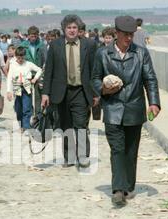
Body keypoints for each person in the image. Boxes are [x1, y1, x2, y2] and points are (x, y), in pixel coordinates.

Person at [92, 16, 160, 206]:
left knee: (131, 150)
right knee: (117, 149)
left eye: (131, 35)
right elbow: (94, 79)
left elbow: (150, 79)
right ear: (116, 33)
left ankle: (129, 185)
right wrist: (104, 89)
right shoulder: (102, 54)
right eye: (125, 35)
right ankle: (118, 190)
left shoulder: (141, 53)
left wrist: (154, 102)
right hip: (112, 109)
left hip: (134, 108)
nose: (129, 38)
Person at [42, 14, 99, 168]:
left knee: (80, 124)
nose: (72, 30)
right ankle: (69, 157)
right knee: (65, 125)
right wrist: (45, 93)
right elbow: (49, 71)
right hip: (61, 92)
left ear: (78, 29)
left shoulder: (89, 45)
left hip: (81, 91)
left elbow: (94, 70)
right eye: (69, 27)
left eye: (75, 27)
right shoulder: (55, 45)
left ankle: (83, 156)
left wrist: (95, 93)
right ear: (64, 29)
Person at [7, 47, 43, 132]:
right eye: (18, 58)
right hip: (17, 89)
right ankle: (22, 125)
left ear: (25, 56)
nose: (20, 60)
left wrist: (35, 78)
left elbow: (39, 70)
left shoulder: (29, 64)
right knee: (18, 108)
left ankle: (26, 127)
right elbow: (9, 78)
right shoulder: (13, 65)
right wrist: (9, 91)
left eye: (22, 58)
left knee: (27, 108)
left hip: (27, 89)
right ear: (16, 56)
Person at [20, 26, 47, 115]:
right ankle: (29, 114)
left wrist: (43, 72)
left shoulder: (42, 45)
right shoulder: (23, 45)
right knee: (27, 95)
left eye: (35, 36)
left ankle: (38, 115)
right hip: (26, 74)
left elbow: (46, 60)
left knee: (38, 96)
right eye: (32, 36)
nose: (34, 38)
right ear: (28, 36)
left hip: (38, 73)